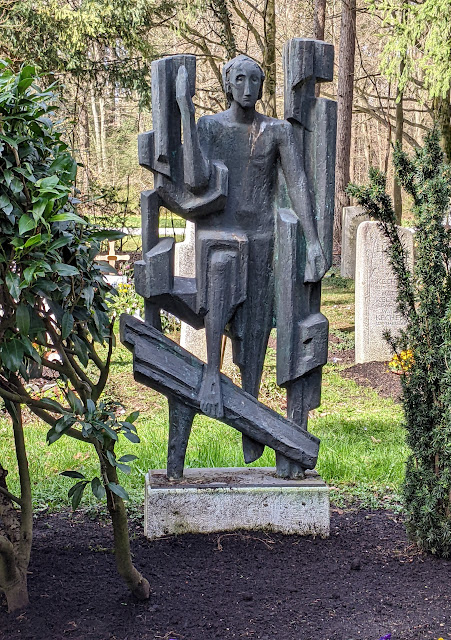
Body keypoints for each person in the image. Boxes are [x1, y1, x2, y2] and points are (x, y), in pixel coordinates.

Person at [176, 55, 327, 458]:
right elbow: (195, 180)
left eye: (254, 80)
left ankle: (251, 406)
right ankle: (211, 370)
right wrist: (184, 112)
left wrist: (312, 241)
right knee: (222, 279)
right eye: (239, 79)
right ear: (227, 85)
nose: (247, 87)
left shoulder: (276, 131)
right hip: (220, 235)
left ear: (262, 86)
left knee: (258, 324)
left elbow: (298, 184)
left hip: (261, 238)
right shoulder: (209, 127)